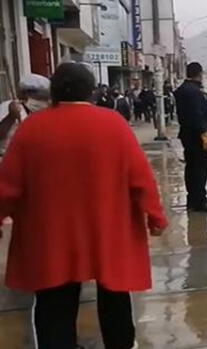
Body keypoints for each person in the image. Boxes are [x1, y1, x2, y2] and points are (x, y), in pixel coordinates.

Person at [0, 62, 168, 349]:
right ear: (91, 92)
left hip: (52, 236)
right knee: (114, 295)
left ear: (54, 91)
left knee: (54, 301)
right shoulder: (113, 124)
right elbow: (141, 179)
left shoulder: (32, 130)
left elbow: (8, 186)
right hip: (107, 232)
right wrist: (155, 217)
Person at [175, 62, 207, 213]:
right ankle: (199, 201)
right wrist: (206, 136)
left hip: (186, 135)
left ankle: (192, 200)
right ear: (199, 74)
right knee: (200, 169)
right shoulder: (194, 92)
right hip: (196, 136)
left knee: (191, 168)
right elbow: (198, 116)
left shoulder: (181, 90)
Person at [0, 74, 50, 155]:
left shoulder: (38, 114)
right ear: (26, 94)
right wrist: (10, 117)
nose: (43, 100)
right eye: (39, 96)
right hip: (5, 158)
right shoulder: (8, 106)